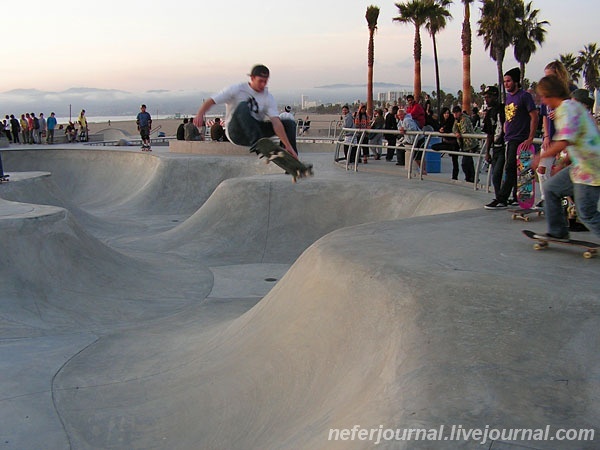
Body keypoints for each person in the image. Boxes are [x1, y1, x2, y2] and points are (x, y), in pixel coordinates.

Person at [532, 75, 600, 240]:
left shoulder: (566, 109)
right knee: (551, 189)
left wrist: (540, 156)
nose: (543, 102)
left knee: (586, 213)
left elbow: (564, 140)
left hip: (590, 169)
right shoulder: (571, 107)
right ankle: (558, 231)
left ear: (550, 95)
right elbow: (576, 140)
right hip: (579, 167)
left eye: (543, 96)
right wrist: (562, 163)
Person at [193, 64, 298, 159]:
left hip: (256, 130)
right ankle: (259, 143)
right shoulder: (237, 89)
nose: (263, 85)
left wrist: (288, 145)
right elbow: (211, 101)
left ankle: (291, 156)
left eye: (265, 82)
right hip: (236, 132)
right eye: (260, 81)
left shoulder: (268, 97)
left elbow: (276, 123)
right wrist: (200, 114)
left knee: (288, 123)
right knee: (243, 105)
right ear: (252, 78)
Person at [485, 67, 538, 209]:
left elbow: (534, 116)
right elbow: (509, 117)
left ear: (516, 81)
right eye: (505, 81)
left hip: (521, 138)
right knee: (512, 169)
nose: (506, 84)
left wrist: (530, 138)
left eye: (508, 81)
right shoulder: (509, 98)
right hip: (510, 138)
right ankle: (515, 197)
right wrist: (506, 128)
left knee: (511, 168)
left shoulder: (524, 96)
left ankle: (502, 199)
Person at [538, 60, 576, 208]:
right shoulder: (547, 91)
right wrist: (546, 135)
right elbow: (543, 116)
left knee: (565, 172)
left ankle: (570, 204)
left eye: (550, 76)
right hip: (551, 138)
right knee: (542, 169)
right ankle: (546, 198)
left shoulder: (569, 90)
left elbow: (575, 114)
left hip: (566, 139)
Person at [481, 86, 505, 198]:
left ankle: (505, 197)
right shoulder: (488, 114)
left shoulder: (503, 109)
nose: (487, 99)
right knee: (495, 175)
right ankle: (499, 197)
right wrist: (487, 152)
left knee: (501, 174)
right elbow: (489, 134)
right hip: (496, 148)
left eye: (489, 97)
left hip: (505, 147)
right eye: (485, 97)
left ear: (495, 96)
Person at [431, 107, 460, 180]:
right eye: (445, 113)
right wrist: (440, 130)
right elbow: (438, 127)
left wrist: (444, 131)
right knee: (433, 147)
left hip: (453, 143)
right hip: (446, 142)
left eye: (448, 113)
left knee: (455, 161)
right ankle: (449, 148)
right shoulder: (442, 121)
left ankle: (455, 176)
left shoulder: (452, 120)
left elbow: (452, 129)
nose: (446, 115)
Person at [452, 106, 478, 183]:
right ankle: (471, 177)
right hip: (464, 144)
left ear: (460, 112)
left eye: (456, 113)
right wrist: (456, 132)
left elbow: (465, 130)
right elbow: (454, 128)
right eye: (454, 113)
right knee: (469, 161)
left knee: (465, 162)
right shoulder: (457, 120)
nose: (455, 115)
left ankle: (470, 177)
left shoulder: (465, 119)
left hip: (470, 143)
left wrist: (459, 132)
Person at [397, 109, 424, 173]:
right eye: (398, 115)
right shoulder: (402, 120)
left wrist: (405, 129)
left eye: (401, 115)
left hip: (418, 139)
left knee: (418, 157)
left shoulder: (408, 120)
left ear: (404, 114)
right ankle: (422, 170)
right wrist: (401, 129)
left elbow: (413, 128)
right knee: (417, 157)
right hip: (412, 140)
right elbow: (399, 126)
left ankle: (423, 170)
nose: (400, 116)